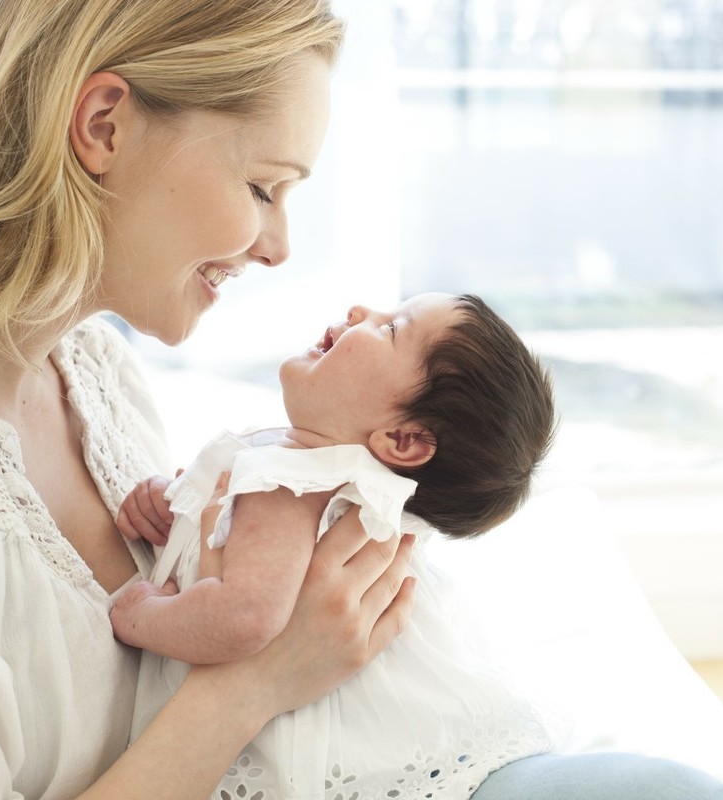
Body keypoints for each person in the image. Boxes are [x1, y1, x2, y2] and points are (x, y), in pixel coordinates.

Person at [0, 0, 723, 797]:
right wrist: (255, 685)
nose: (278, 246)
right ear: (104, 125)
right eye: (263, 187)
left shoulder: (96, 375)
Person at [111, 292, 559, 799]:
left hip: (317, 751)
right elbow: (240, 544)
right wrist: (177, 504)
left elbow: (246, 615)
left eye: (392, 329)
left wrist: (143, 617)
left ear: (404, 440)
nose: (359, 312)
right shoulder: (329, 482)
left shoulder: (288, 485)